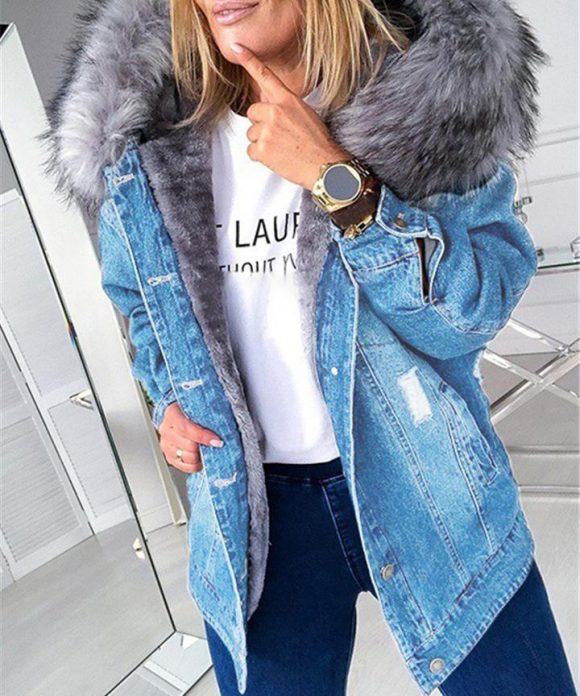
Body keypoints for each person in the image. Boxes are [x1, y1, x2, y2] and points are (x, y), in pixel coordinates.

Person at [42, 0, 577, 694]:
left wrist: (336, 178)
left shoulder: (424, 105)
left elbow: (470, 314)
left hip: (426, 483)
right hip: (254, 517)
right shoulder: (149, 150)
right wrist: (170, 398)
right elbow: (139, 298)